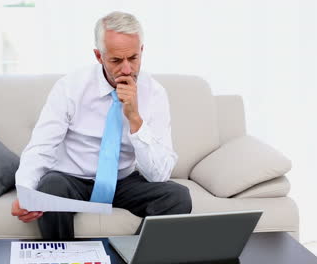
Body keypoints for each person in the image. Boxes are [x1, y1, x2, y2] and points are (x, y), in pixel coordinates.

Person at [11, 11, 192, 240]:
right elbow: (41, 147)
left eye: (133, 58)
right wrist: (26, 194)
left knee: (178, 196)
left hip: (123, 181)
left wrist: (135, 118)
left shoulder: (155, 94)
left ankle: (132, 255)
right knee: (50, 187)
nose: (126, 69)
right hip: (73, 179)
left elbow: (159, 175)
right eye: (116, 60)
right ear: (99, 56)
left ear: (142, 51)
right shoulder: (70, 87)